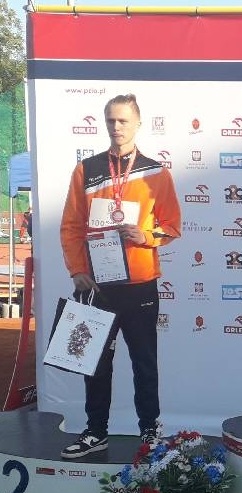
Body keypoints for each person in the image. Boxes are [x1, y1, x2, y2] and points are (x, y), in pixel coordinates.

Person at [59, 93, 181, 459]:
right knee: (95, 362)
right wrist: (77, 270)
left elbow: (172, 227)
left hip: (140, 285)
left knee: (144, 362)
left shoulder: (156, 172)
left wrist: (145, 236)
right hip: (99, 285)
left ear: (138, 124)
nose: (116, 127)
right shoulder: (87, 169)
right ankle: (96, 431)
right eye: (111, 120)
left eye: (123, 120)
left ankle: (150, 431)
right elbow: (71, 226)